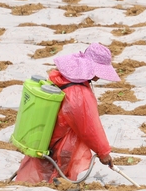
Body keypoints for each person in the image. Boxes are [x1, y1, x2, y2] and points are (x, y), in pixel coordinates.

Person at [15, 43, 121, 183]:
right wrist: (103, 152)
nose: (100, 76)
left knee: (43, 170)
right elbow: (88, 127)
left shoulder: (63, 78)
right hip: (63, 141)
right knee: (57, 174)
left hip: (48, 135)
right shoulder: (78, 93)